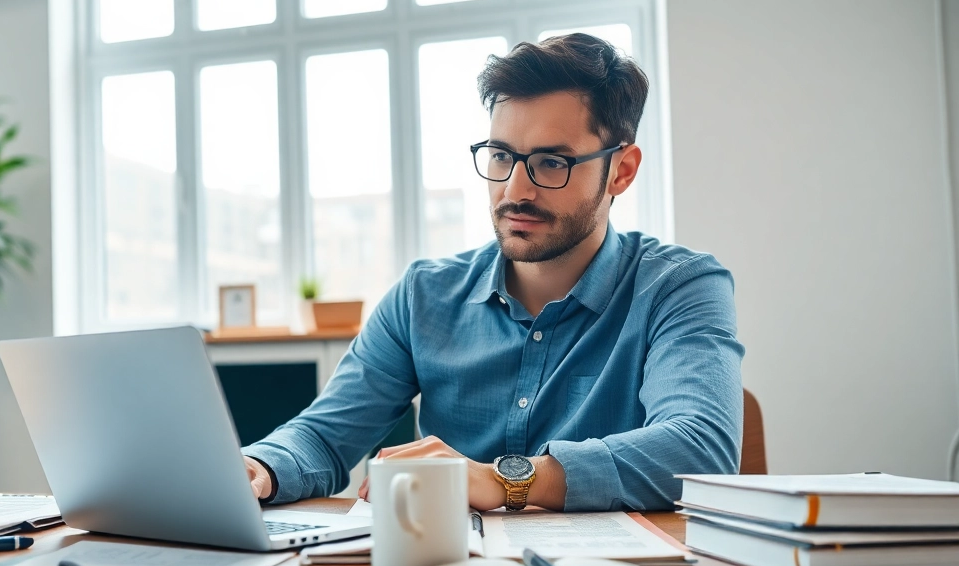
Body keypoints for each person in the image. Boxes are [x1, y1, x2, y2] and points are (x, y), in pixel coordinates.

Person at [241, 33, 744, 512]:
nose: (515, 190)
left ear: (621, 170)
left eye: (551, 163)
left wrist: (505, 478)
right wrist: (258, 466)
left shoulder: (679, 287)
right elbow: (323, 437)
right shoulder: (424, 296)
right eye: (501, 156)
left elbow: (700, 449)